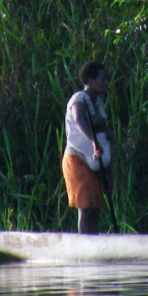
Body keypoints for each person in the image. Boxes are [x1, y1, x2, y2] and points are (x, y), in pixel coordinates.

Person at [62, 61, 111, 234]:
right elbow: (80, 120)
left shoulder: (98, 103)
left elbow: (102, 128)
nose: (105, 83)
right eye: (102, 79)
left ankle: (94, 242)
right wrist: (93, 142)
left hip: (94, 161)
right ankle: (85, 244)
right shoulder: (78, 99)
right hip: (77, 159)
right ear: (89, 81)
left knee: (95, 206)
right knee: (85, 206)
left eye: (106, 80)